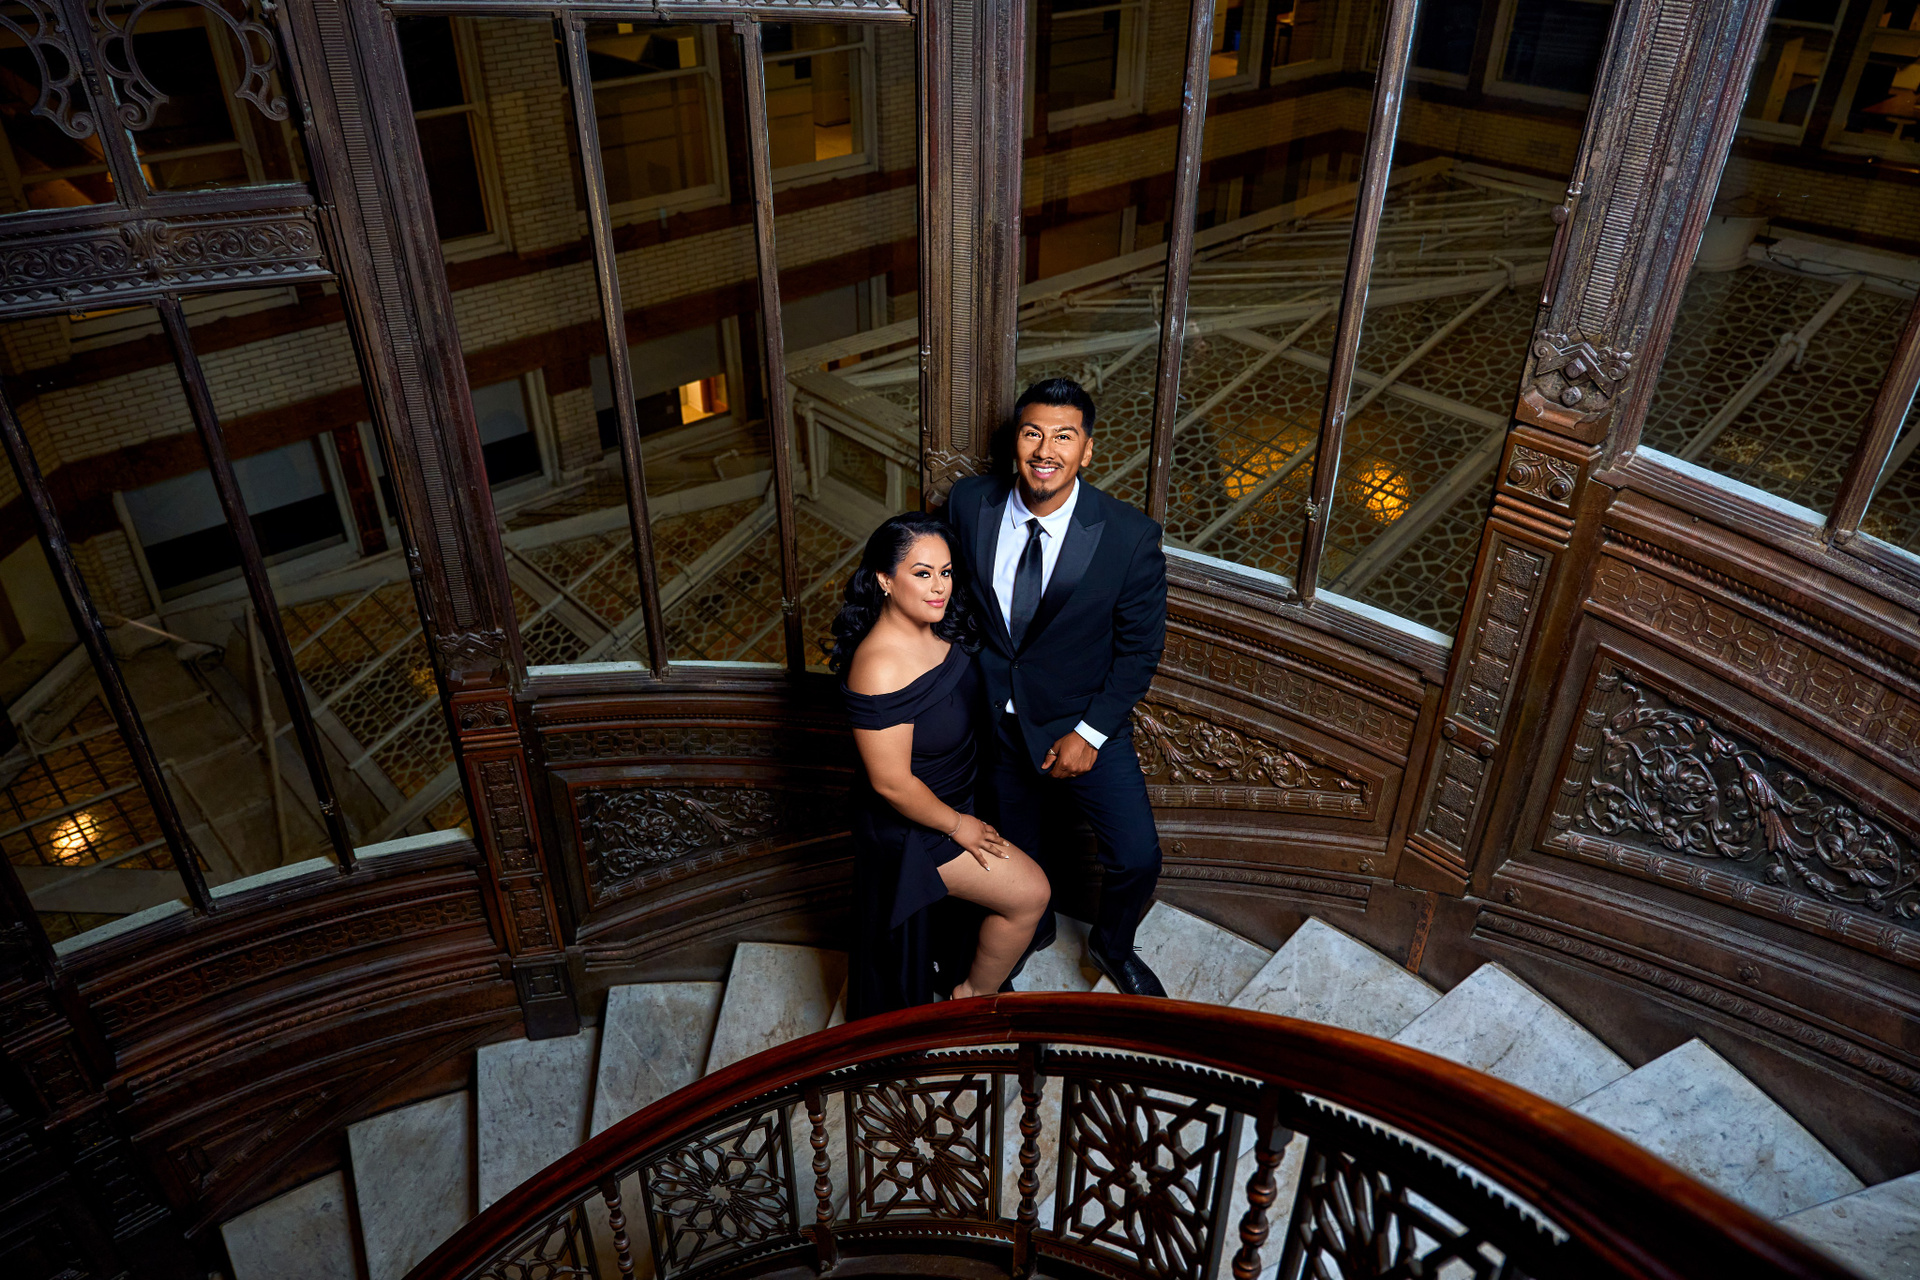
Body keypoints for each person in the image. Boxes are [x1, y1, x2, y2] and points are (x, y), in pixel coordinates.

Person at [944, 377, 1170, 997]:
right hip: (995, 725)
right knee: (1017, 851)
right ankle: (1029, 930)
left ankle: (1112, 944)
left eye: (1064, 437)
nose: (1046, 450)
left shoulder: (1128, 536)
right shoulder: (969, 503)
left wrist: (1090, 733)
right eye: (1033, 433)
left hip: (1084, 722)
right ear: (1015, 442)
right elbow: (949, 599)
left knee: (1137, 856)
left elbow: (1139, 650)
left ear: (1087, 450)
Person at [831, 512, 1052, 1018]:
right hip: (916, 828)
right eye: (922, 573)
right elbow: (891, 784)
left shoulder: (940, 626)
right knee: (1031, 895)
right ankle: (971, 1000)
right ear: (885, 580)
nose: (939, 587)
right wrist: (960, 827)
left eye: (946, 572)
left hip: (958, 797)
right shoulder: (879, 665)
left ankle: (963, 981)